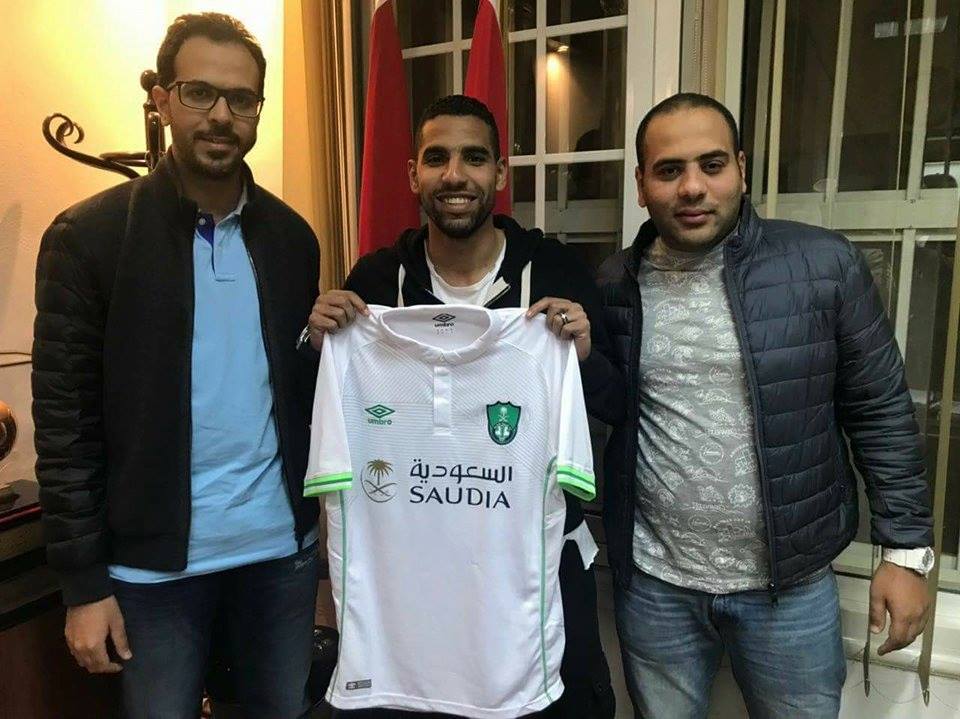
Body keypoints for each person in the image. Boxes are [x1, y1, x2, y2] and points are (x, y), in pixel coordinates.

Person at [596, 92, 934, 718]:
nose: (692, 187)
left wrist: (906, 554)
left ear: (742, 170)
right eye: (669, 170)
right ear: (641, 185)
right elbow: (608, 411)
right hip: (655, 584)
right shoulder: (614, 283)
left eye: (712, 164)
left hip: (790, 590)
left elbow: (881, 409)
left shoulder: (823, 265)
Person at [32, 13, 321, 718]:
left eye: (241, 98)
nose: (221, 115)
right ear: (162, 100)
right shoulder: (90, 237)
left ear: (257, 110)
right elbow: (64, 425)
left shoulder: (292, 239)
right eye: (199, 93)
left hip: (278, 555)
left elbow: (300, 395)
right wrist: (83, 585)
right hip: (152, 570)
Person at [308, 94, 620, 718]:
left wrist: (582, 355)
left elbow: (617, 401)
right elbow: (326, 403)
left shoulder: (555, 271)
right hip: (413, 570)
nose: (455, 175)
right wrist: (317, 343)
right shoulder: (376, 281)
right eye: (437, 159)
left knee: (567, 702)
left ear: (500, 174)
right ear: (413, 174)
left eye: (474, 158)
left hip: (534, 562)